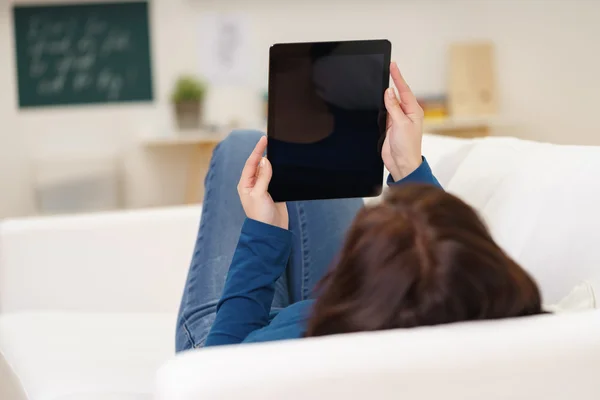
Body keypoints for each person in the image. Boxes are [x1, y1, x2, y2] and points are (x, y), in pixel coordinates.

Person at [175, 62, 544, 351]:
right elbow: (452, 265)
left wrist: (263, 236)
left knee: (243, 146)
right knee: (307, 158)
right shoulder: (490, 305)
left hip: (245, 336)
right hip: (346, 309)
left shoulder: (291, 352)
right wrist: (407, 167)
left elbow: (218, 370)